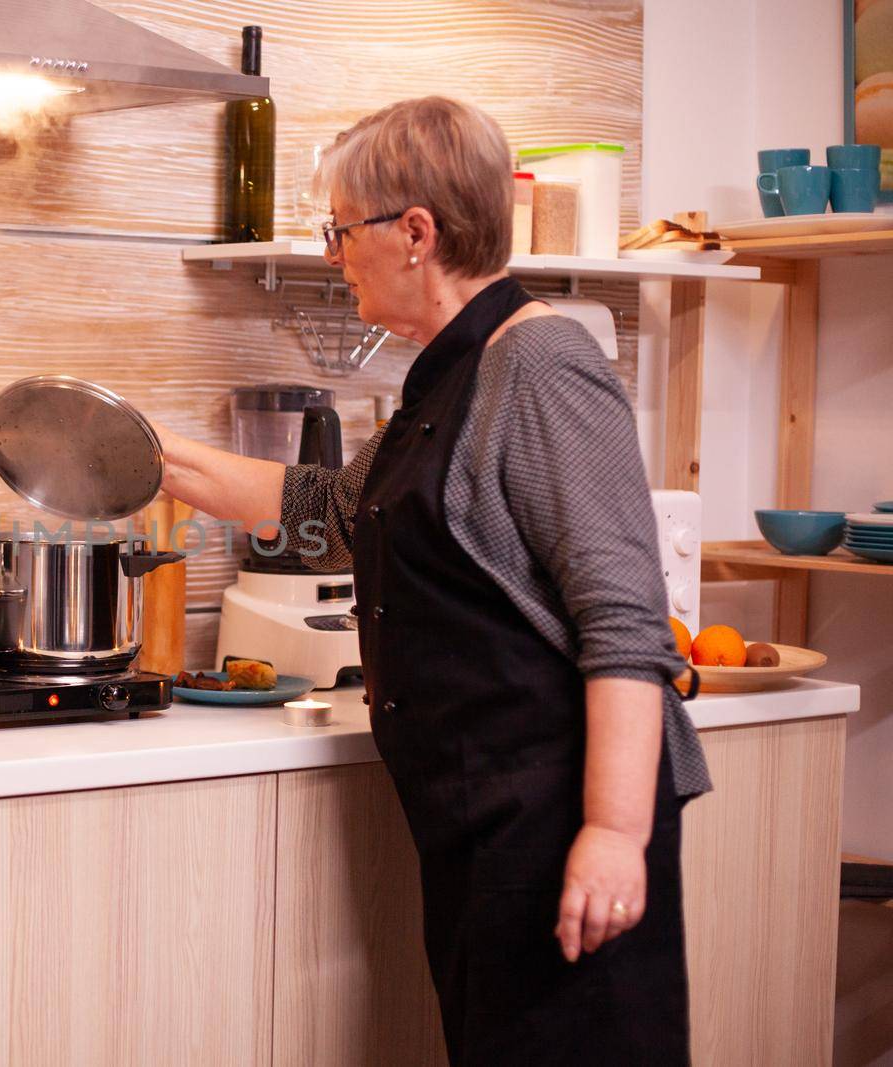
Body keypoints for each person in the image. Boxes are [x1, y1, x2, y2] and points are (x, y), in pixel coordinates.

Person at [154, 96, 711, 1065]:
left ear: (416, 233)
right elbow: (329, 508)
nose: (333, 253)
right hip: (483, 834)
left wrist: (614, 833)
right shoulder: (446, 377)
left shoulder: (540, 363)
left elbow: (624, 620)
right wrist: (146, 454)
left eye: (341, 230)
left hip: (556, 831)